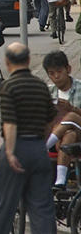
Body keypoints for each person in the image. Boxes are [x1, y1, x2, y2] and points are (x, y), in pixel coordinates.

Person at [0, 43, 56, 234]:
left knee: (4, 206)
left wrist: (9, 152)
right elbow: (50, 119)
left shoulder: (10, 86)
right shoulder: (41, 86)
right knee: (42, 208)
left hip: (16, 149)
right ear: (28, 60)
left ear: (7, 63)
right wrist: (41, 143)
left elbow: (10, 123)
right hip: (38, 149)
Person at [40, 51, 81, 188]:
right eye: (51, 73)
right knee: (69, 135)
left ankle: (43, 147)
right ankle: (60, 180)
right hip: (62, 138)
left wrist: (72, 108)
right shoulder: (48, 92)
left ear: (68, 69)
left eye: (59, 71)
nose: (56, 76)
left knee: (72, 116)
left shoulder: (80, 88)